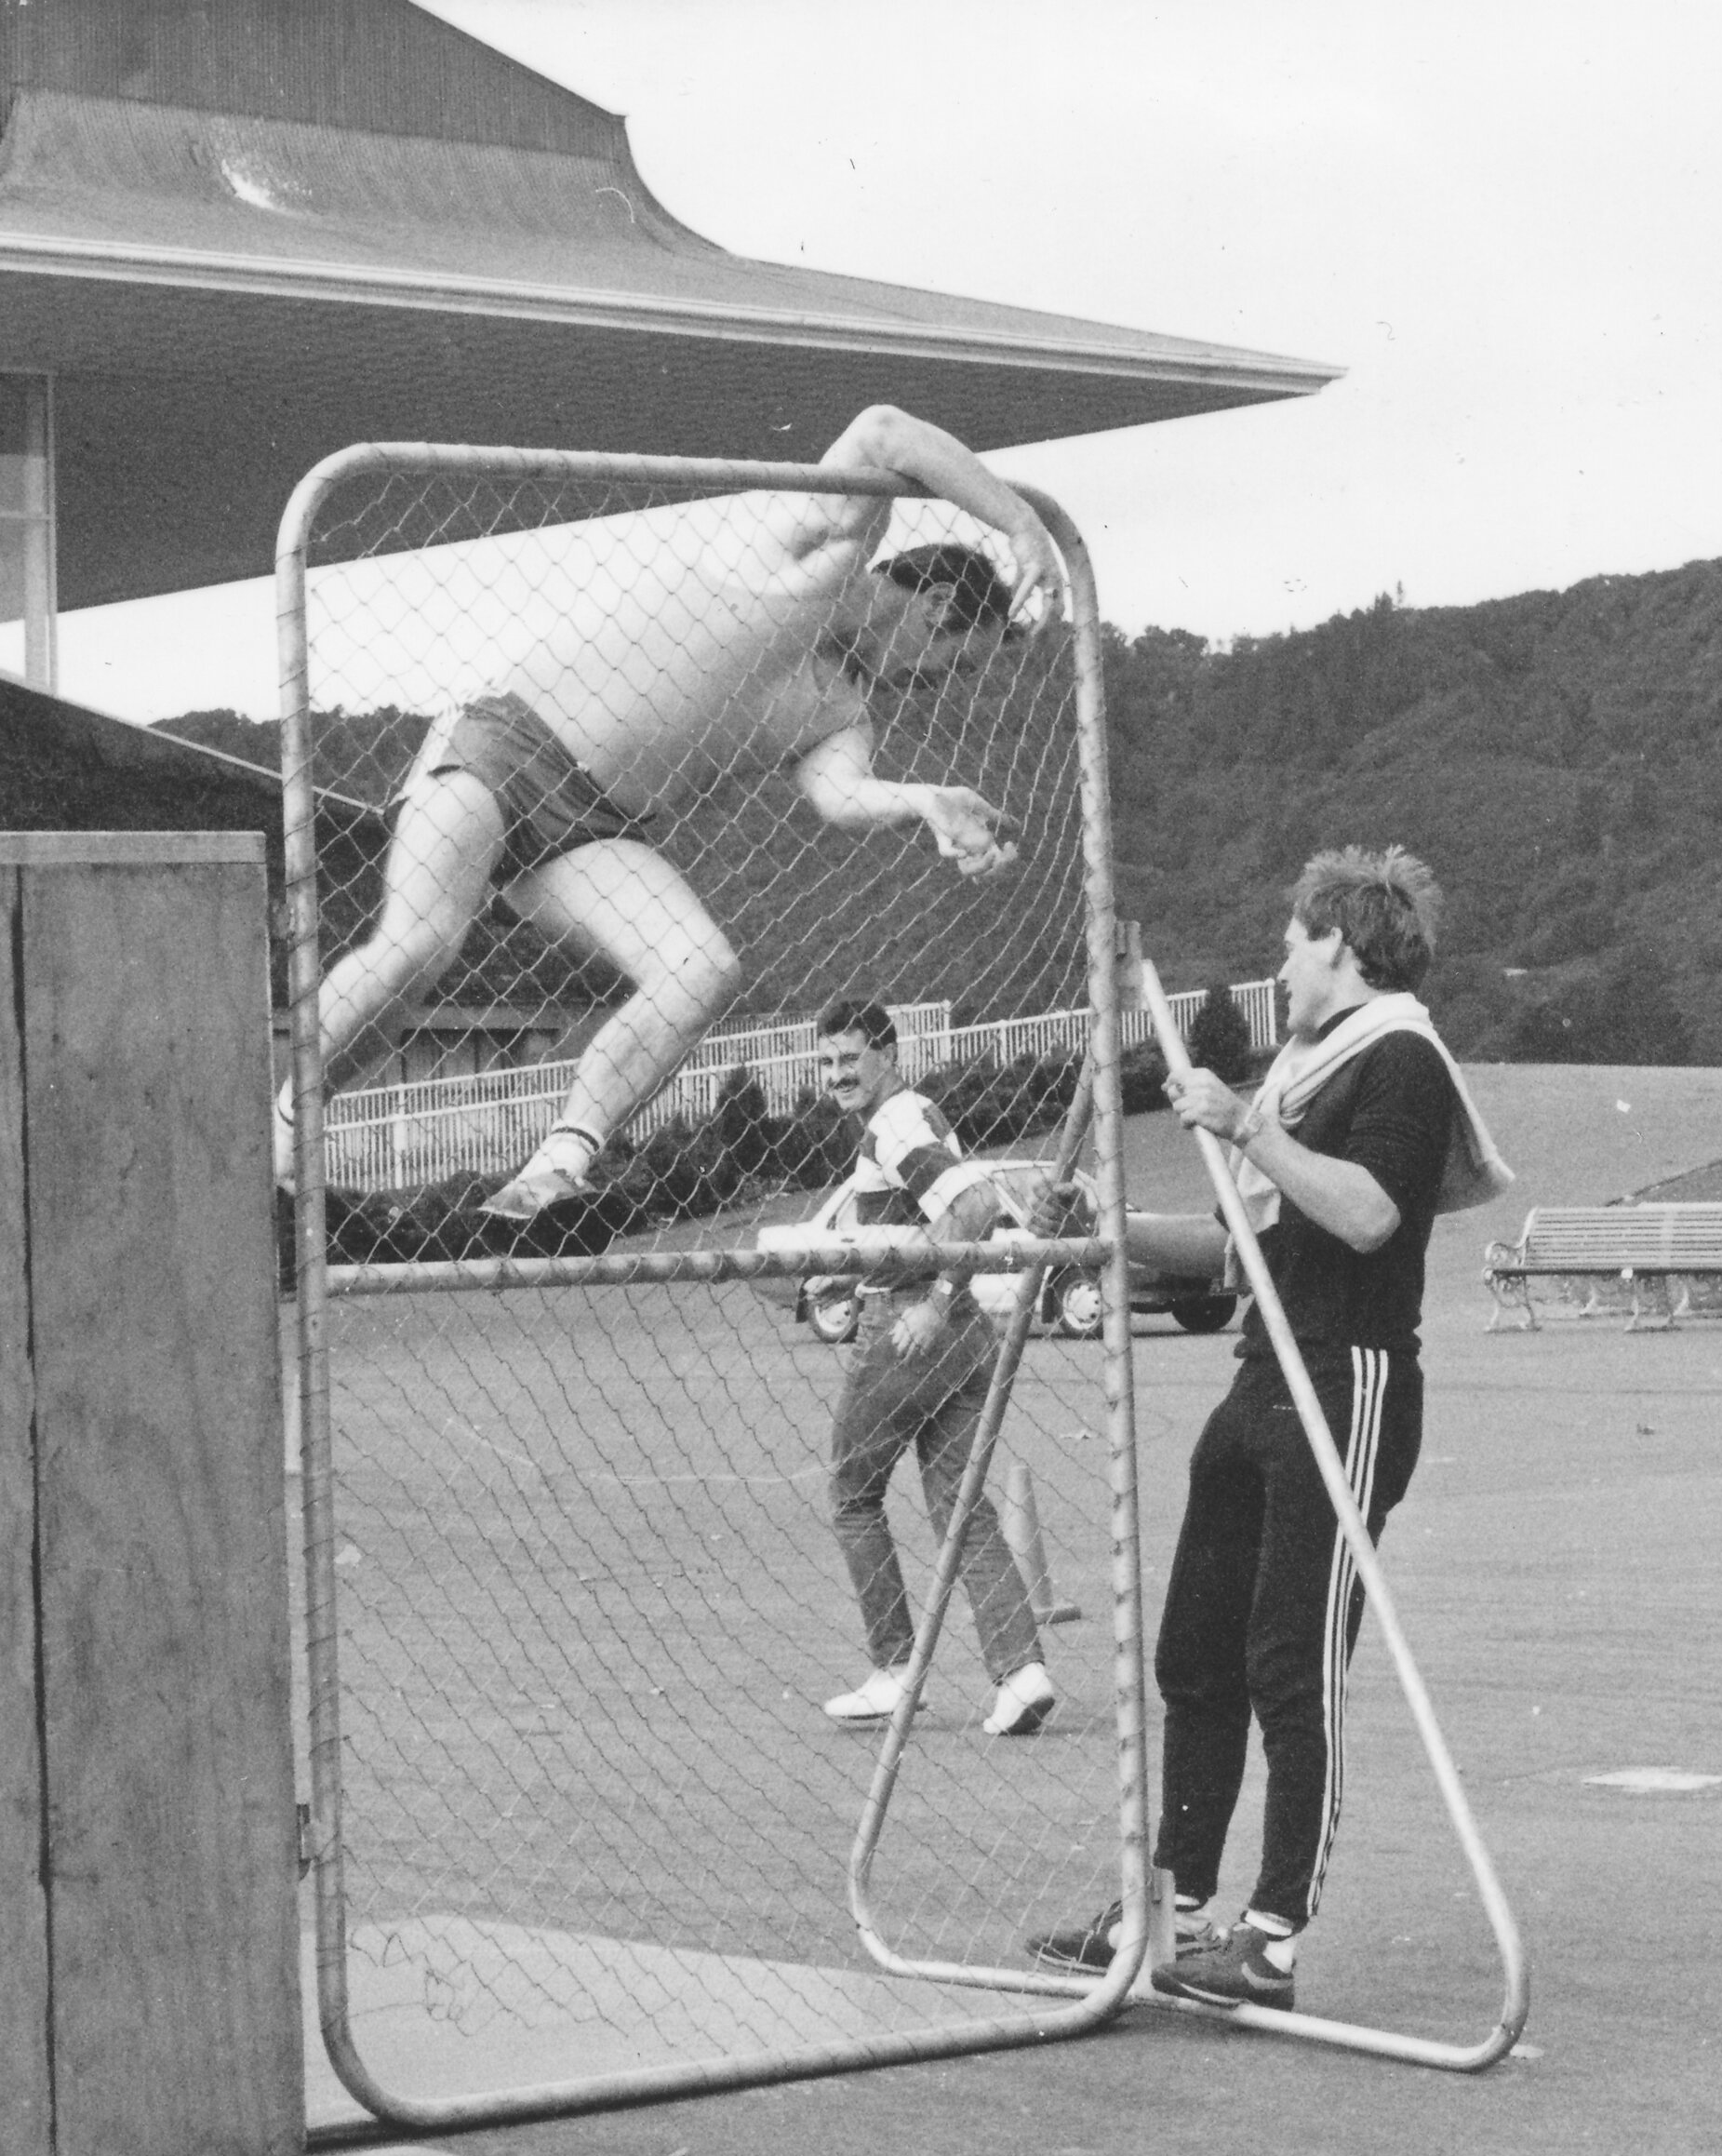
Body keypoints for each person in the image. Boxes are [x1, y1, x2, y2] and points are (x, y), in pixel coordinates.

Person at [276, 406, 1064, 1218]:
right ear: (935, 605)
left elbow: (841, 794)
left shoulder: (844, 709)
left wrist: (928, 801)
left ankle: (553, 1168)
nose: (930, 687)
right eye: (950, 665)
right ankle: (281, 1133)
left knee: (702, 969)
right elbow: (885, 429)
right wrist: (1022, 526)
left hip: (594, 831)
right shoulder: (817, 552)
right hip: (505, 749)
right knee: (421, 944)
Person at [1028, 846, 1511, 2006]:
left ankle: (1272, 1936)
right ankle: (1171, 1907)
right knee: (1194, 1655)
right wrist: (1104, 1223)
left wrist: (1244, 1123)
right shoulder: (1299, 1072)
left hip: (1346, 1378)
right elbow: (1234, 1248)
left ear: (1337, 944)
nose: (1279, 967)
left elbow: (1366, 1213)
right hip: (1261, 1376)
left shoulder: (1399, 1057)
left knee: (1291, 1664)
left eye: (1290, 945)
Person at [814, 996, 1057, 1738]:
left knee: (852, 1492)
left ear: (887, 1053)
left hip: (910, 1328)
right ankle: (1021, 1673)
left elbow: (976, 1203)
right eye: (826, 1062)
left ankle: (894, 1669)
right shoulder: (915, 1113)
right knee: (960, 1505)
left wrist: (935, 1299)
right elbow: (931, 1216)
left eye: (850, 1058)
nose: (836, 1075)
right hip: (963, 1337)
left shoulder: (894, 1124)